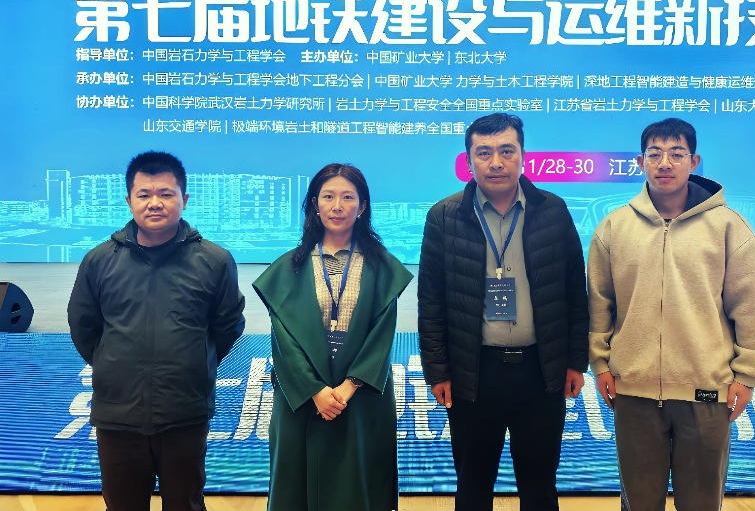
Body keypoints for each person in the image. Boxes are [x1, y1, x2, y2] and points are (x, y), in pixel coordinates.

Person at [587, 118, 755, 511]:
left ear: (694, 161)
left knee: (701, 503)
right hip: (634, 391)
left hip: (707, 391)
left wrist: (748, 374)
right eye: (654, 154)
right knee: (639, 503)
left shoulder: (728, 227)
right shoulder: (614, 227)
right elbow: (598, 303)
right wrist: (599, 362)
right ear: (640, 162)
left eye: (676, 154)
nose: (665, 163)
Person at [417, 113, 589, 511]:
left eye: (506, 151)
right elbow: (431, 303)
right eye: (484, 153)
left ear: (523, 155)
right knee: (473, 488)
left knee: (540, 488)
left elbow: (574, 294)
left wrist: (575, 362)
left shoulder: (553, 211)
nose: (496, 162)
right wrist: (438, 372)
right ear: (468, 160)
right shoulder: (443, 217)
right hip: (474, 373)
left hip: (540, 371)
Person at [67, 151, 246, 511]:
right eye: (144, 194)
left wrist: (193, 359)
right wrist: (114, 363)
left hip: (184, 411)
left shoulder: (214, 260)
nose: (155, 203)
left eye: (166, 193)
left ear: (184, 199)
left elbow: (227, 325)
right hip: (118, 412)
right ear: (129, 200)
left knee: (185, 504)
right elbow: (84, 326)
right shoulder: (99, 261)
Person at [253, 163, 413, 511]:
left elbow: (382, 335)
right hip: (300, 397)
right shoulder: (289, 267)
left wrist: (349, 386)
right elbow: (283, 339)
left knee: (359, 487)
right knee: (296, 488)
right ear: (314, 204)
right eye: (328, 197)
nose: (337, 206)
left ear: (363, 206)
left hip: (361, 398)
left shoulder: (382, 266)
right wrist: (314, 390)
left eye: (347, 197)